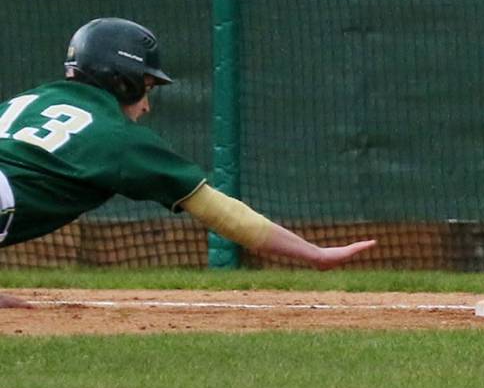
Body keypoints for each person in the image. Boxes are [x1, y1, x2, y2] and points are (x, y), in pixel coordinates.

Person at [0, 18, 377, 309]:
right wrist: (315, 254)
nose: (146, 105)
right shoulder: (118, 139)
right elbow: (222, 213)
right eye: (145, 88)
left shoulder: (30, 100)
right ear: (122, 80)